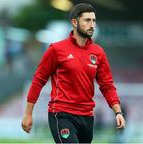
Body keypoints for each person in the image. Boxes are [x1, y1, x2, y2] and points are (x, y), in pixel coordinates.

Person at [21, 3, 125, 143]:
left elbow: (107, 85)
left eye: (94, 20)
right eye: (87, 20)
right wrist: (28, 114)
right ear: (74, 22)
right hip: (61, 114)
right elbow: (38, 80)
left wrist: (118, 112)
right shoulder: (56, 50)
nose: (92, 24)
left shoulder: (98, 53)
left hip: (87, 117)